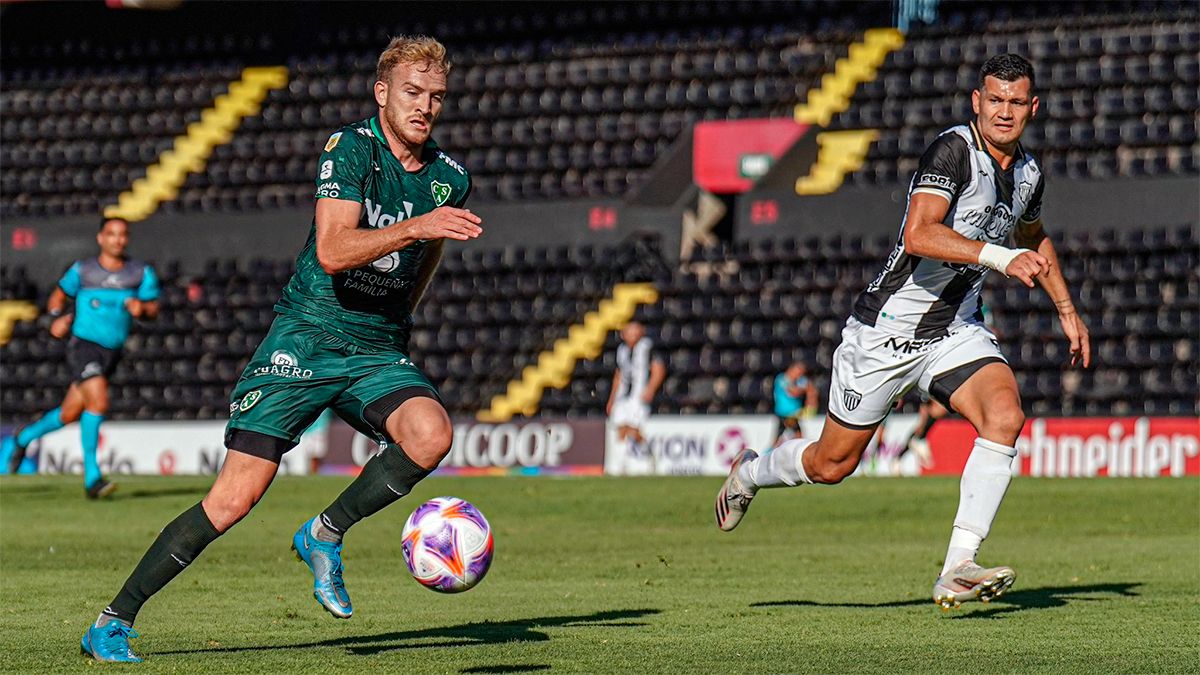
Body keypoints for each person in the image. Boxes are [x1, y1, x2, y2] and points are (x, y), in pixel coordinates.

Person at [80, 36, 481, 662]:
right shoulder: (352, 149)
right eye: (412, 92)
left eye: (436, 96)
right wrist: (419, 227)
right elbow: (334, 250)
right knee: (232, 500)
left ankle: (325, 532)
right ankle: (113, 621)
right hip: (308, 334)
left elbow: (426, 253)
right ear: (382, 92)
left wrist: (407, 306)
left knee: (430, 435)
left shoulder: (450, 178)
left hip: (375, 344)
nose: (425, 106)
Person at [715, 54, 1091, 611]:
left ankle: (958, 567)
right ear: (977, 101)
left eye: (1016, 102)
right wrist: (999, 256)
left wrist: (1065, 307)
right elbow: (919, 234)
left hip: (955, 330)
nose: (1004, 112)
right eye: (995, 99)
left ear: (1032, 108)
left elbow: (1033, 236)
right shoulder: (953, 151)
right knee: (831, 464)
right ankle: (749, 473)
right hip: (887, 330)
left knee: (1005, 415)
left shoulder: (1030, 174)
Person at [0, 217, 159, 497]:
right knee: (98, 401)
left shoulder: (139, 273)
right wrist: (56, 318)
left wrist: (142, 309)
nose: (117, 239)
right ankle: (92, 478)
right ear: (100, 238)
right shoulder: (83, 270)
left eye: (122, 234)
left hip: (112, 352)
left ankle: (22, 439)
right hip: (84, 346)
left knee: (69, 413)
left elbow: (153, 309)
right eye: (112, 234)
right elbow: (57, 297)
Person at [605, 321, 666, 472]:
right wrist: (612, 398)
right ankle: (620, 466)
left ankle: (649, 454)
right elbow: (619, 375)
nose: (632, 334)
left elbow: (658, 369)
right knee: (620, 428)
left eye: (635, 331)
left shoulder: (648, 348)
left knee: (632, 429)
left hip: (638, 396)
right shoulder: (621, 350)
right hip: (622, 396)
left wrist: (650, 389)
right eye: (629, 332)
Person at [772, 360, 818, 444]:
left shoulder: (800, 380)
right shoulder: (782, 379)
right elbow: (793, 392)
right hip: (785, 413)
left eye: (802, 373)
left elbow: (812, 390)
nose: (800, 374)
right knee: (796, 436)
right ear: (791, 369)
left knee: (794, 436)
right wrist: (805, 389)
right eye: (798, 372)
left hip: (795, 413)